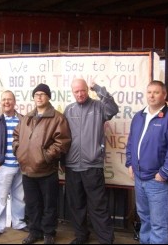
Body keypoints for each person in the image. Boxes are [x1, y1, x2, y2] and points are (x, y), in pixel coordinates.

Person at [125, 80, 168, 244]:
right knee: (145, 220)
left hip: (158, 182)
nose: (152, 96)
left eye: (156, 92)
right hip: (140, 179)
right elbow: (131, 142)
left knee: (160, 225)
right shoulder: (139, 116)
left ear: (164, 95)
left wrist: (164, 173)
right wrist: (130, 163)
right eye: (149, 92)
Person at [12, 83, 71, 244]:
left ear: (48, 97)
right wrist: (18, 149)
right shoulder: (27, 118)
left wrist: (46, 156)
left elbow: (62, 142)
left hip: (46, 171)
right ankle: (34, 232)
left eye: (42, 94)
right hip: (27, 171)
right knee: (32, 204)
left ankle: (49, 233)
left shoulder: (57, 118)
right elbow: (16, 135)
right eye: (36, 94)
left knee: (49, 205)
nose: (39, 97)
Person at [62, 78, 118, 244]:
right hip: (72, 166)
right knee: (76, 205)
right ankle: (81, 236)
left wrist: (98, 88)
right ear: (73, 92)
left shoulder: (99, 107)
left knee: (98, 206)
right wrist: (63, 161)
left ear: (87, 89)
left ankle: (106, 239)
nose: (80, 94)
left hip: (92, 166)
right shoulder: (68, 110)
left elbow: (113, 109)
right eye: (76, 91)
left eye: (83, 90)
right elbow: (63, 137)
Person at [0, 90, 29, 239]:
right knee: (1, 198)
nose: (6, 102)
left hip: (20, 166)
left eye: (9, 99)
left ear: (15, 102)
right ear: (1, 102)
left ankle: (18, 223)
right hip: (3, 166)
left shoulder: (22, 119)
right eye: (4, 100)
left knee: (19, 197)